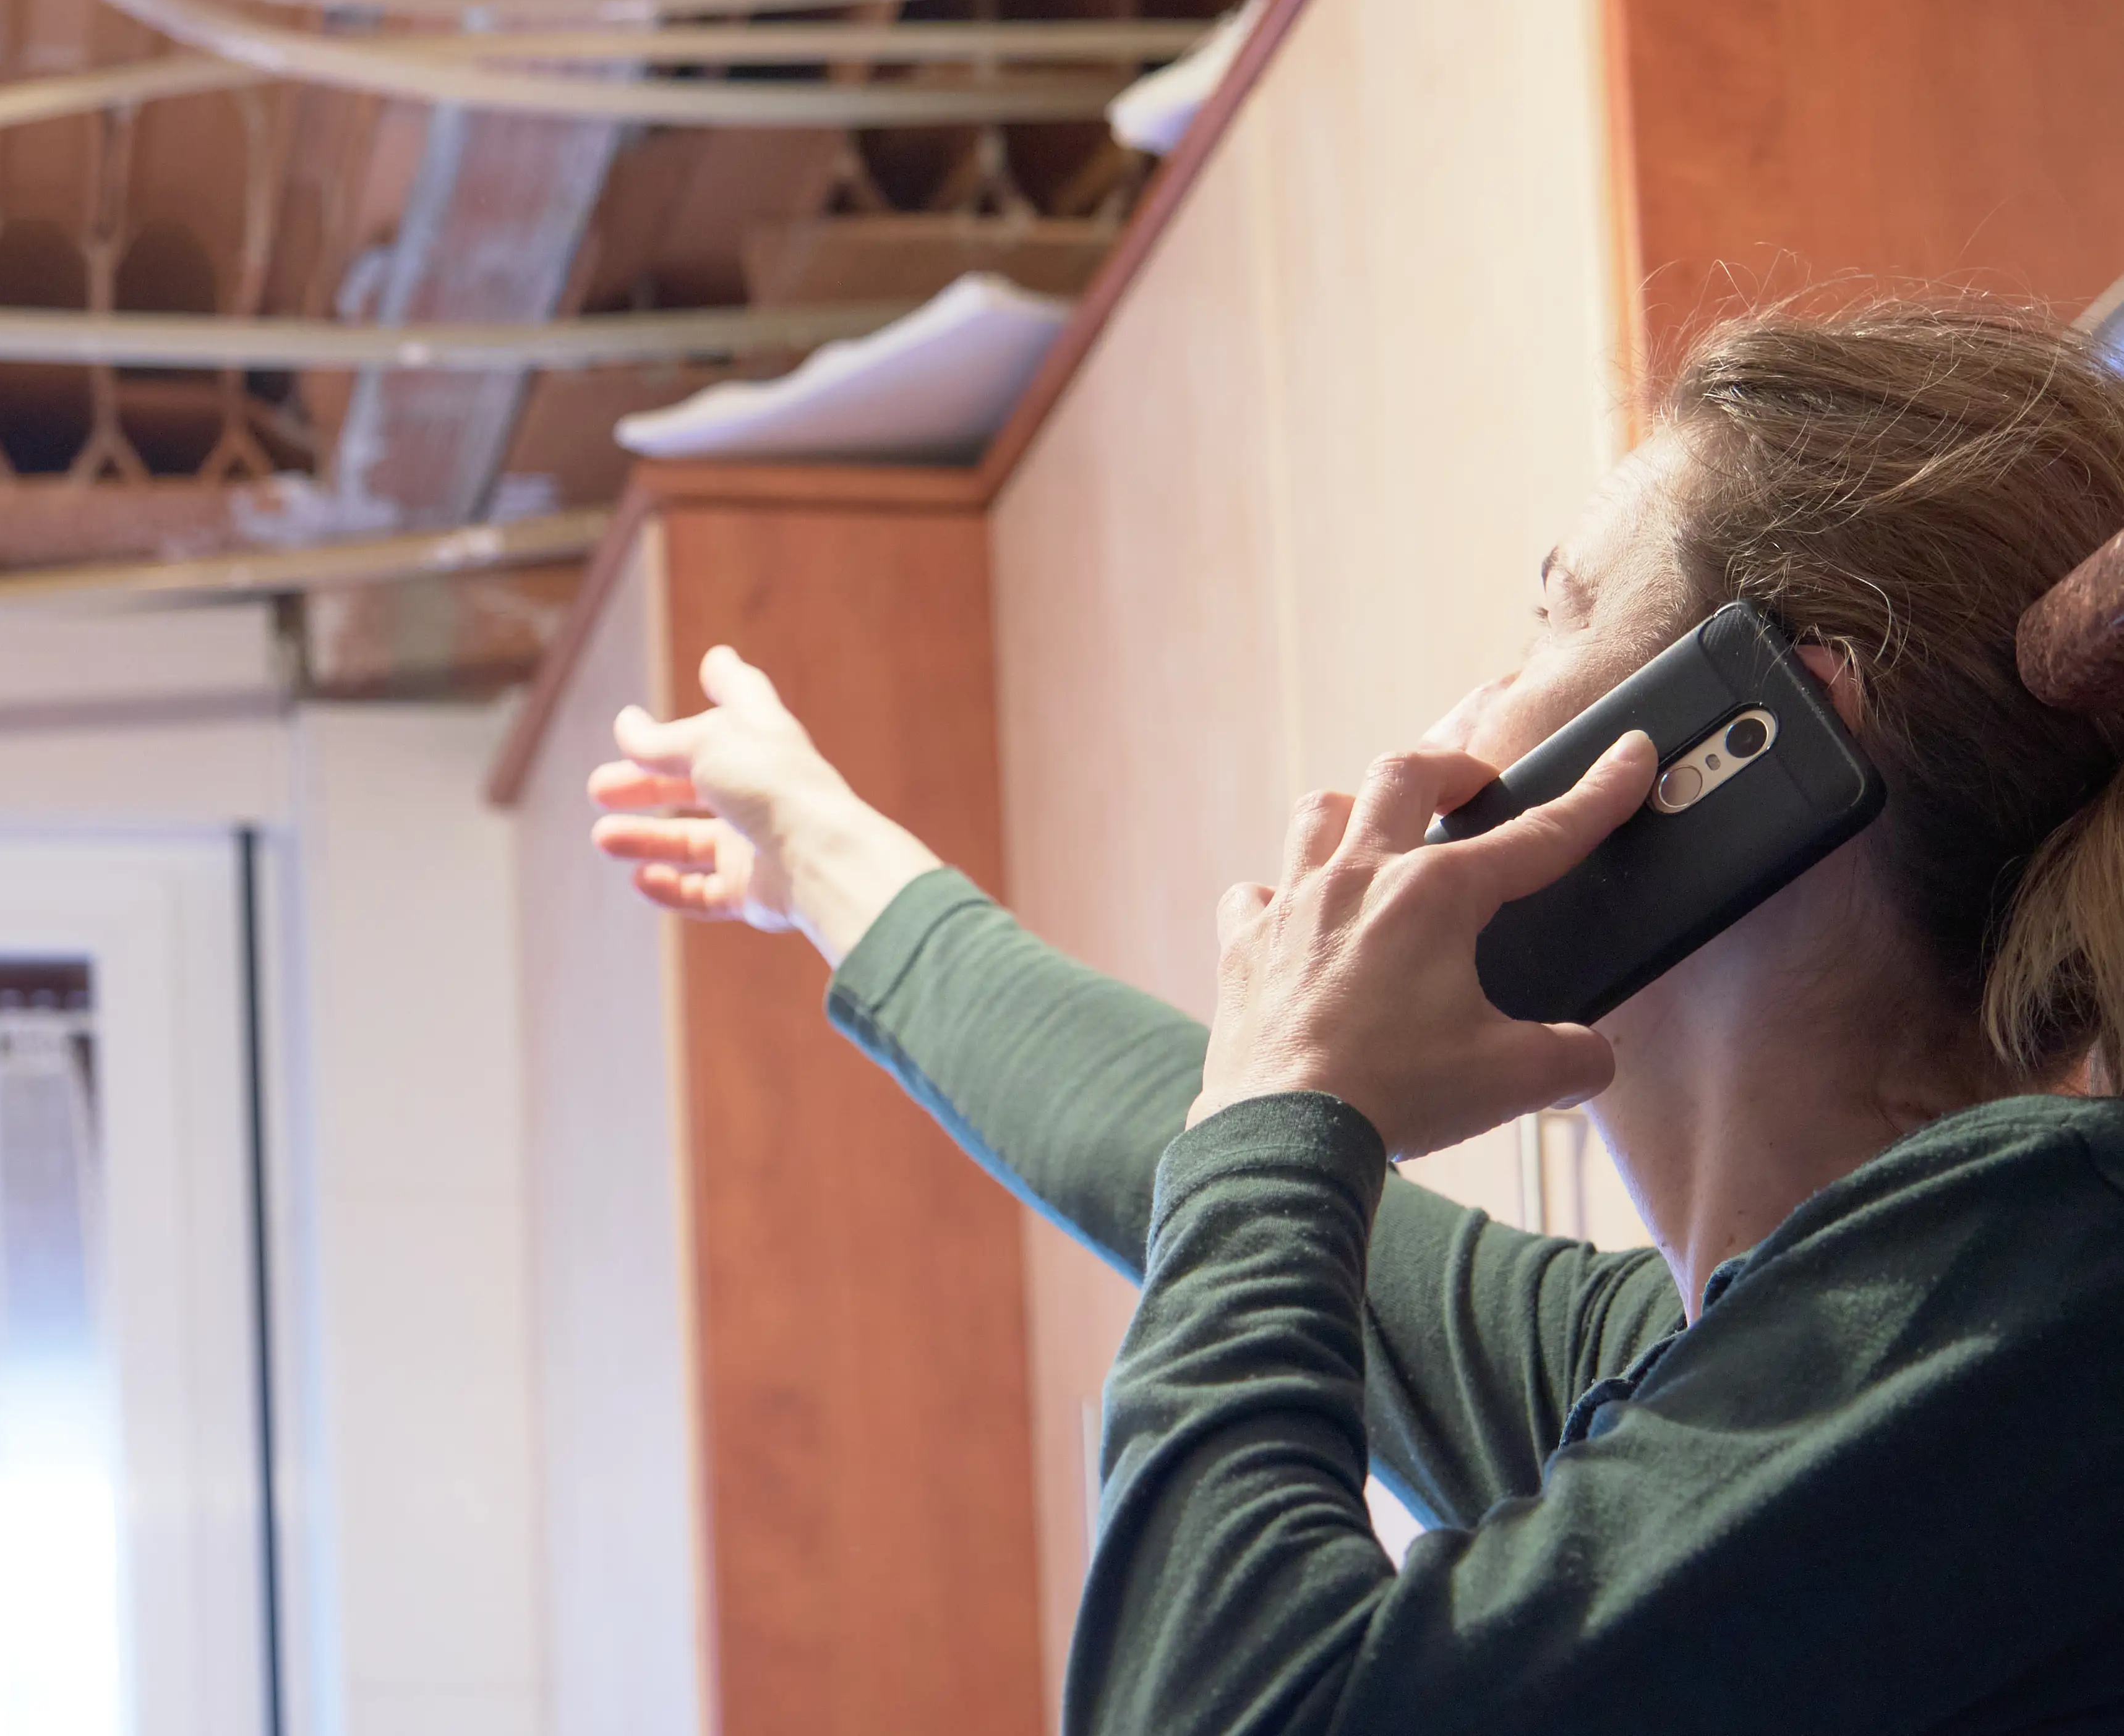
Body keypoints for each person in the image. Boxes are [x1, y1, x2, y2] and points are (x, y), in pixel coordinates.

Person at [586, 297, 2124, 1735]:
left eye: (1549, 621)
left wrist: (1278, 1107)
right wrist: (822, 855)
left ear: (1749, 747)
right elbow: (1161, 1152)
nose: (1451, 724)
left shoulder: (2019, 1307)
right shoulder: (1788, 1348)